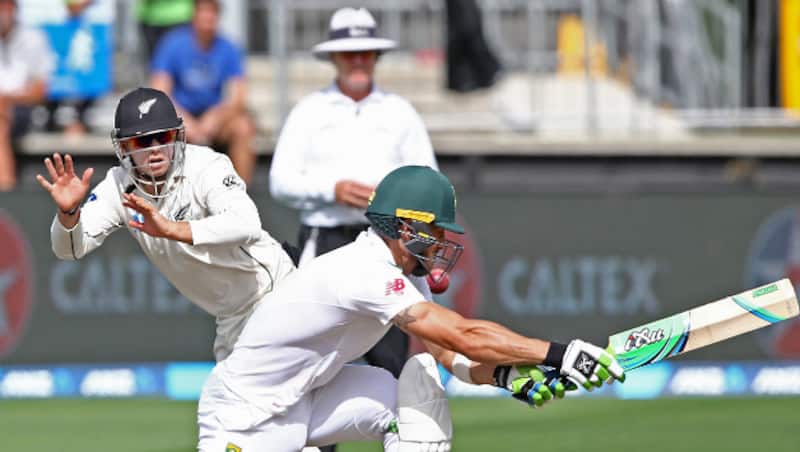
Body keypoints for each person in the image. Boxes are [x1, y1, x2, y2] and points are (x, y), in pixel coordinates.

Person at [197, 165, 625, 451]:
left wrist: (506, 376)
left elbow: (448, 356)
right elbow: (463, 335)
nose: (442, 243)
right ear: (406, 228)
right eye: (436, 231)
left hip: (307, 400)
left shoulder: (407, 273)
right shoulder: (364, 271)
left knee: (411, 392)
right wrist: (560, 354)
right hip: (244, 416)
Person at [35, 87, 295, 361]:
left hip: (272, 292)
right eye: (141, 142)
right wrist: (69, 212)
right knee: (239, 402)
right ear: (123, 148)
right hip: (231, 319)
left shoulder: (206, 165)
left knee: (238, 402)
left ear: (177, 136)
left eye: (162, 137)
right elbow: (70, 250)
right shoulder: (117, 186)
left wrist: (172, 229)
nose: (155, 150)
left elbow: (246, 224)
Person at [270, 6, 436, 389]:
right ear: (333, 57)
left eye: (365, 52)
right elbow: (281, 180)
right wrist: (332, 190)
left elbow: (429, 181)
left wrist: (394, 204)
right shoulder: (309, 110)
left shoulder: (399, 111)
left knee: (392, 362)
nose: (358, 60)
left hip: (387, 246)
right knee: (317, 361)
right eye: (349, 53)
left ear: (377, 56)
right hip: (324, 240)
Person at [150, 0, 256, 185]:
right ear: (194, 16)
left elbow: (238, 97)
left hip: (214, 117)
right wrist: (184, 121)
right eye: (203, 13)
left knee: (243, 127)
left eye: (212, 13)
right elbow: (160, 91)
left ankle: (240, 195)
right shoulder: (173, 44)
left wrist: (216, 117)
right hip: (179, 116)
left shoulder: (229, 47)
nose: (207, 18)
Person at [0, 0, 55, 191]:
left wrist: (8, 99)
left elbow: (41, 91)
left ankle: (4, 192)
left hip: (22, 110)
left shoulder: (34, 39)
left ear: (13, 8)